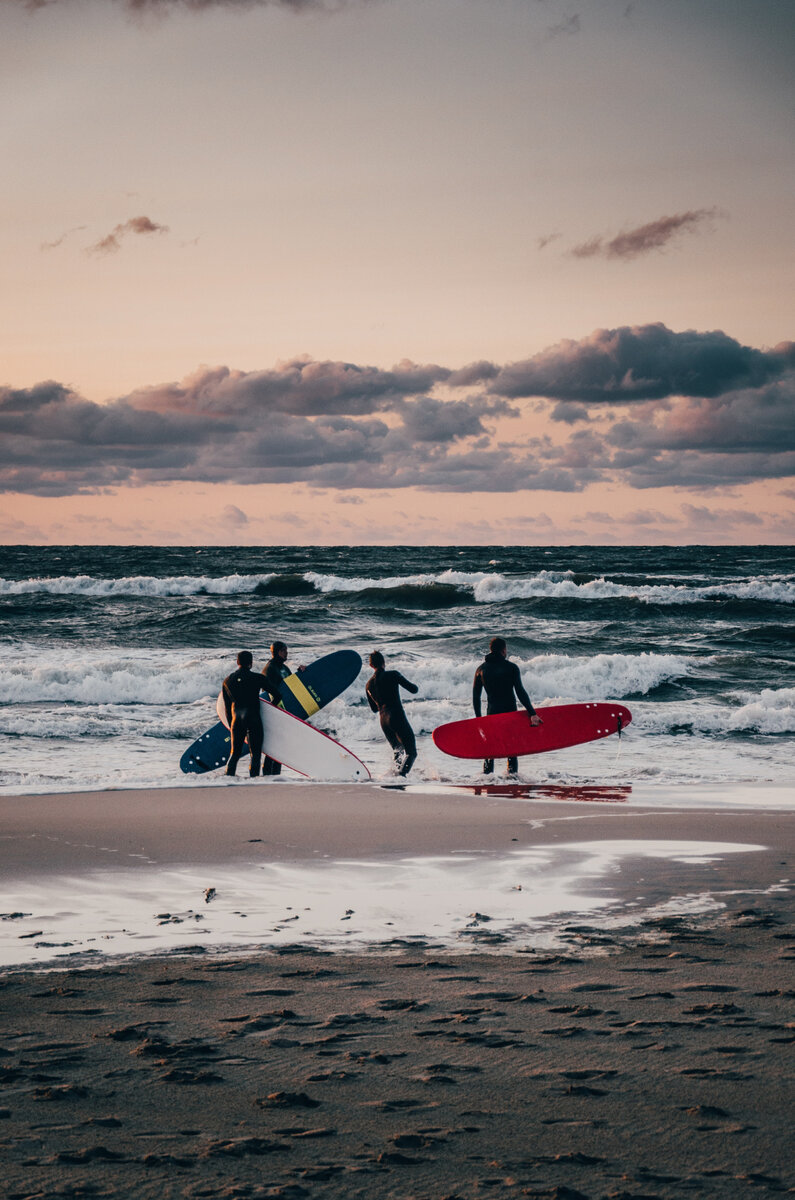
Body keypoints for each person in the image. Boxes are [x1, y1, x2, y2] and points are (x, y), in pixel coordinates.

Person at [472, 636, 542, 775]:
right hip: (510, 713)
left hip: (492, 714)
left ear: (491, 650)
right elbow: (520, 692)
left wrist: (478, 719)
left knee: (489, 751)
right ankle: (512, 779)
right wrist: (532, 713)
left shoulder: (481, 670)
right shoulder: (511, 668)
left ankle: (487, 780)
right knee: (511, 750)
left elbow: (476, 697)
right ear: (504, 650)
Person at [222, 650, 279, 778]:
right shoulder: (258, 678)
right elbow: (277, 695)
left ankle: (227, 778)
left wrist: (231, 725)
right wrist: (271, 711)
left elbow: (227, 708)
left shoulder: (227, 681)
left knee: (234, 753)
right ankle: (254, 781)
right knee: (255, 754)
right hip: (253, 718)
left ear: (237, 662)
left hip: (236, 720)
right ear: (251, 663)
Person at [366, 650, 419, 776]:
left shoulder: (368, 685)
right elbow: (414, 689)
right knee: (411, 752)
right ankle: (401, 776)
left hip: (383, 720)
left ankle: (396, 777)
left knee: (398, 751)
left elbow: (374, 709)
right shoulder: (393, 675)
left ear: (371, 666)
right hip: (396, 715)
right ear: (384, 662)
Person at [261, 640, 305, 776]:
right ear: (278, 652)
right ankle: (268, 775)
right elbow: (269, 693)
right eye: (285, 650)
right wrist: (274, 710)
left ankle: (276, 776)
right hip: (275, 713)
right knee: (273, 747)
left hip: (285, 711)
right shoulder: (269, 669)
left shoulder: (284, 668)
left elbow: (290, 687)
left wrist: (300, 673)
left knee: (280, 746)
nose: (287, 653)